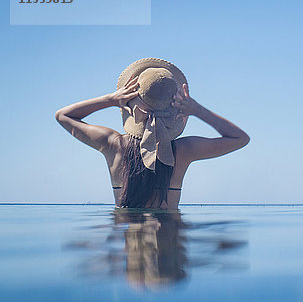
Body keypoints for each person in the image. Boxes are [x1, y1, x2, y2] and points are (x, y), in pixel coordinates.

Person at [55, 58, 250, 209]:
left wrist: (110, 99)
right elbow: (240, 138)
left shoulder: (113, 145)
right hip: (171, 238)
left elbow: (63, 115)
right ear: (175, 110)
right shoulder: (184, 150)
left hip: (127, 240)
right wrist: (198, 110)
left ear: (130, 103)